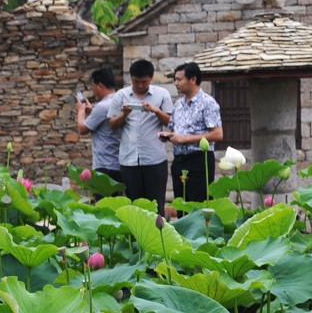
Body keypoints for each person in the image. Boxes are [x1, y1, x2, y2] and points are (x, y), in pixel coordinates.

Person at [108, 59, 173, 214]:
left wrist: (155, 110)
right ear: (131, 78)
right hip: (129, 160)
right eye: (136, 81)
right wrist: (124, 114)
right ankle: (136, 238)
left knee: (156, 206)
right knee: (134, 207)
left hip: (155, 159)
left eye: (144, 82)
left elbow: (170, 122)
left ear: (151, 78)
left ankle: (159, 237)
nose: (140, 85)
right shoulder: (121, 95)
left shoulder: (162, 94)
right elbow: (112, 125)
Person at [160, 62, 224, 204]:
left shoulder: (208, 102)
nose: (176, 83)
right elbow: (175, 130)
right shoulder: (178, 104)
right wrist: (169, 136)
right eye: (174, 80)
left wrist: (185, 139)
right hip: (179, 161)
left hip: (199, 160)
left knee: (199, 204)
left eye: (179, 79)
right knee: (181, 204)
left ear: (193, 79)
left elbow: (218, 134)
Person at [74, 67, 122, 183]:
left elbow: (83, 129)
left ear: (100, 86)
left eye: (93, 86)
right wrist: (92, 111)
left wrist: (81, 110)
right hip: (119, 164)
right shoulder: (120, 101)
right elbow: (107, 120)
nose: (93, 90)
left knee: (103, 200)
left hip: (105, 165)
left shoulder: (102, 106)